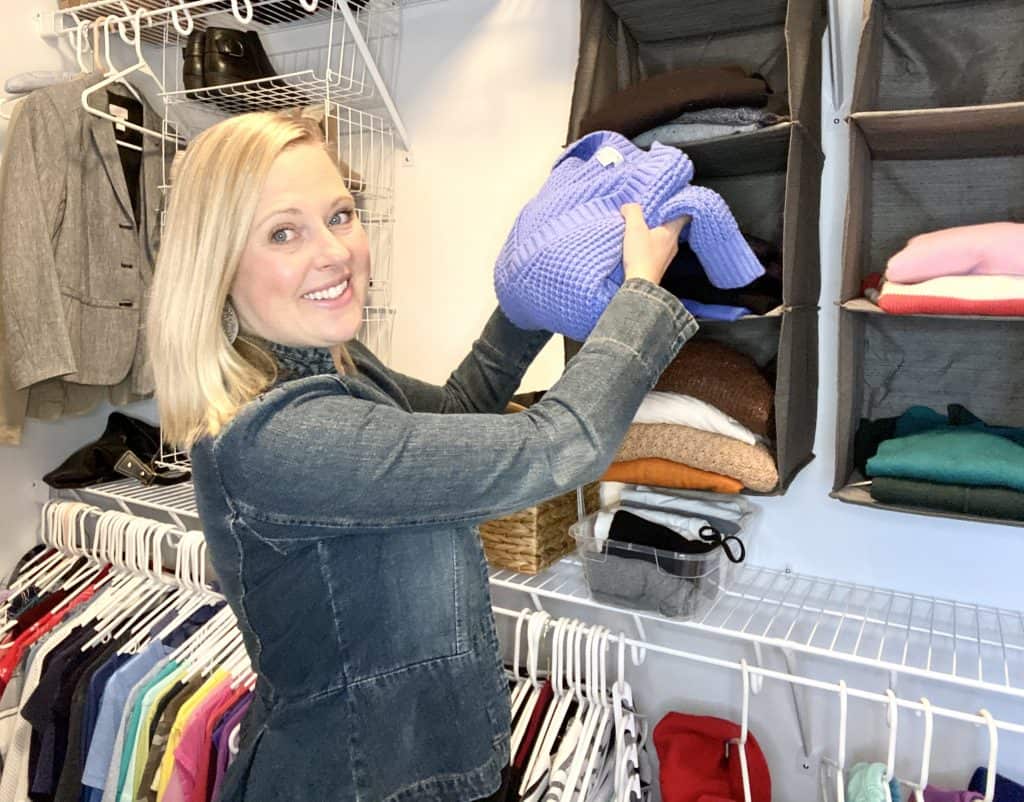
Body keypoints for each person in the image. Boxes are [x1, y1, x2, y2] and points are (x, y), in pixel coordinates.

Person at [146, 110, 696, 802]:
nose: (334, 253)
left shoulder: (331, 373)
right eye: (284, 232)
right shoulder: (280, 438)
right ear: (215, 266)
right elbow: (555, 446)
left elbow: (460, 414)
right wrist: (642, 292)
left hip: (414, 766)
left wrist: (527, 298)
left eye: (340, 215)